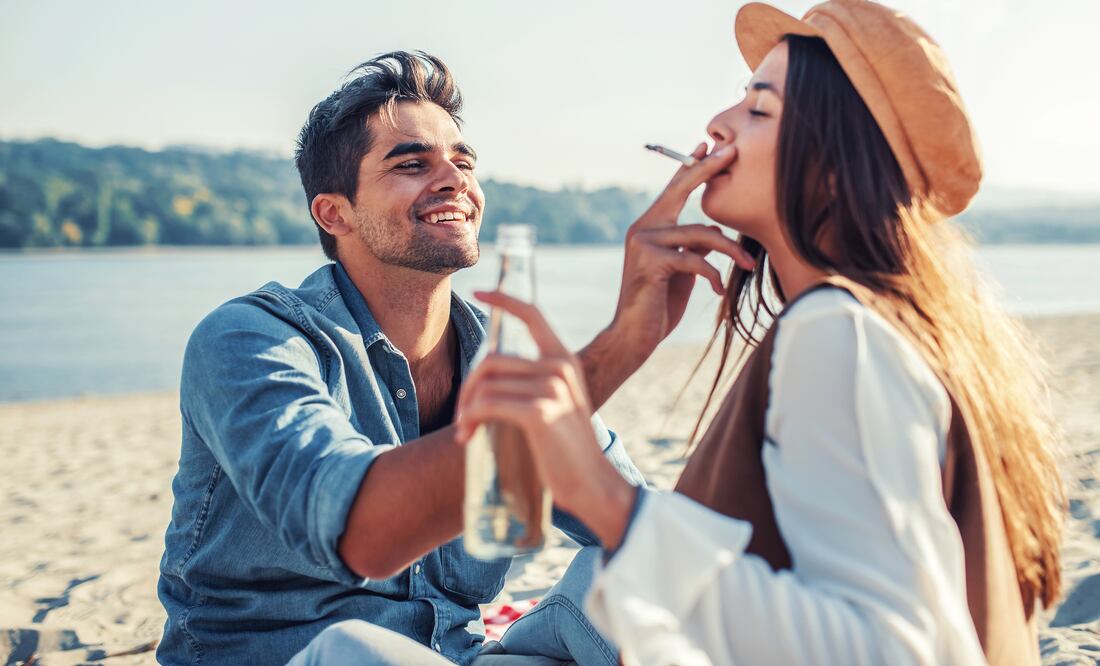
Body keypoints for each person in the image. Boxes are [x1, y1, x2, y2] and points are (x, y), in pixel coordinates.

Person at [455, 1, 1065, 664]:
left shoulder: (836, 334)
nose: (717, 124)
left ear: (834, 167)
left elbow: (887, 649)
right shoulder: (915, 331)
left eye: (759, 108)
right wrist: (632, 331)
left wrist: (609, 502)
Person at [155, 51, 669, 666]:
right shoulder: (249, 341)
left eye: (463, 162)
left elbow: (642, 524)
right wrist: (620, 346)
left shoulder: (507, 358)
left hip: (459, 656)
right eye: (412, 164)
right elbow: (363, 533)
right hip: (308, 658)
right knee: (353, 651)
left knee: (644, 565)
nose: (454, 180)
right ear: (334, 212)